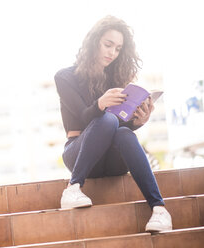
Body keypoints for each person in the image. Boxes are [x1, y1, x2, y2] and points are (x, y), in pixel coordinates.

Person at [54, 15, 172, 232]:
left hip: (113, 160)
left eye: (118, 49)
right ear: (94, 42)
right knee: (106, 118)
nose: (112, 53)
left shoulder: (115, 79)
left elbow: (119, 127)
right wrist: (100, 104)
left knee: (125, 134)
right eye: (108, 45)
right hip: (79, 154)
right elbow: (82, 116)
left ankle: (159, 210)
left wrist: (138, 121)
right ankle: (73, 188)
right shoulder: (65, 77)